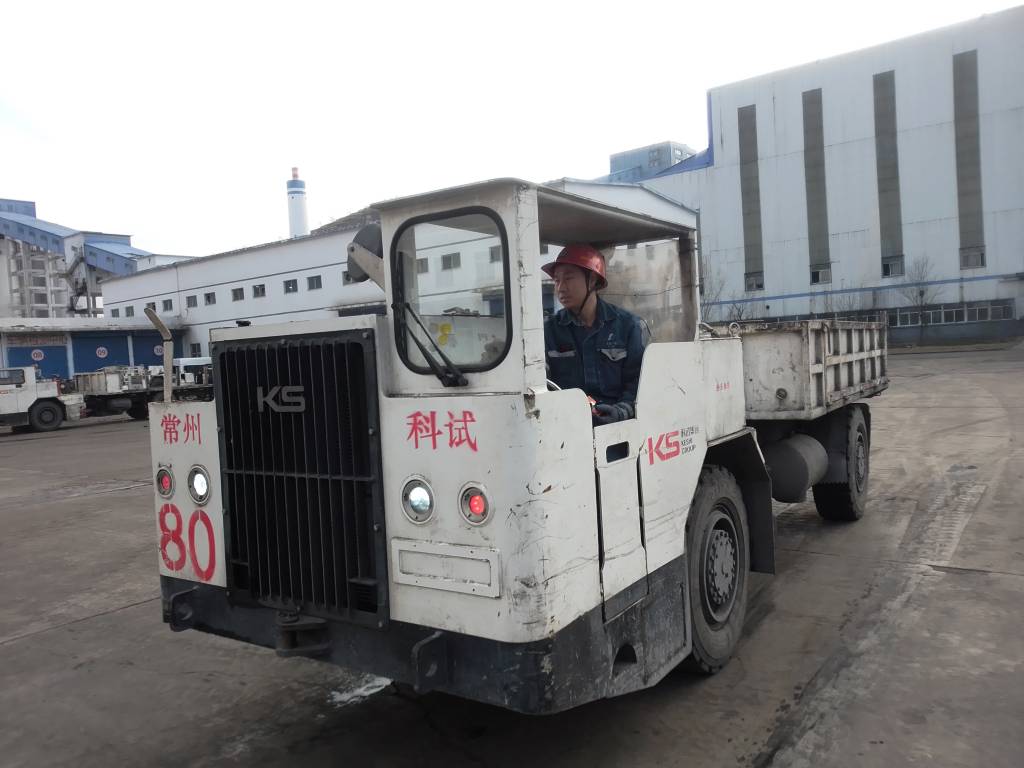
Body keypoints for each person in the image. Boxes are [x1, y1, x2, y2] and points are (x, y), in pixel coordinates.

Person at [542, 243, 648, 425]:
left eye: (568, 278)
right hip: (567, 427)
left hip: (619, 429)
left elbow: (640, 381)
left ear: (592, 280)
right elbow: (540, 383)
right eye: (557, 280)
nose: (561, 288)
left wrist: (621, 412)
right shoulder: (548, 331)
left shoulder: (629, 327)